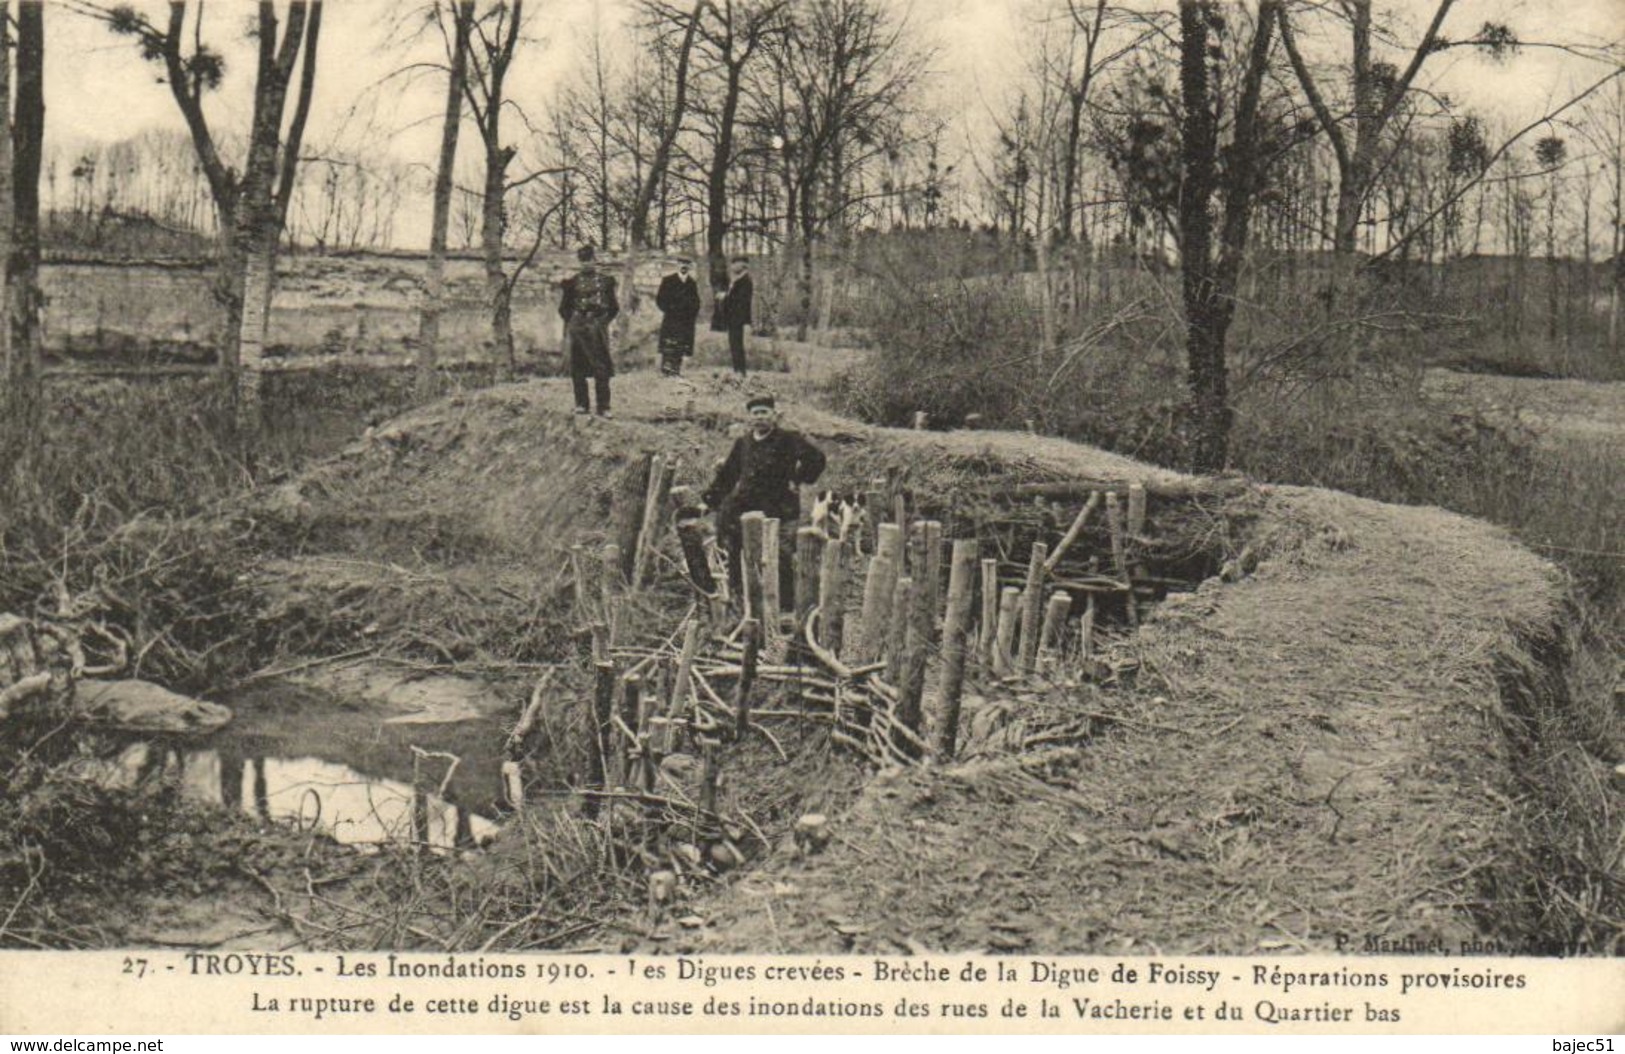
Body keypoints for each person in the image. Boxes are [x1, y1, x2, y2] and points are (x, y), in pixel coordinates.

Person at [701, 393, 826, 611]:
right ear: (749, 417)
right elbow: (728, 476)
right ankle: (742, 604)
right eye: (755, 413)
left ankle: (785, 609)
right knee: (739, 554)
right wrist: (710, 501)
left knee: (780, 557)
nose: (760, 417)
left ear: (773, 415)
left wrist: (798, 478)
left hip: (781, 510)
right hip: (747, 511)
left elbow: (817, 459)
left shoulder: (788, 439)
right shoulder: (743, 443)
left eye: (764, 413)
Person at [558, 244, 620, 417]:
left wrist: (603, 323)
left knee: (601, 368)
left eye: (589, 260)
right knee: (578, 367)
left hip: (597, 327)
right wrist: (573, 323)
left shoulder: (605, 282)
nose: (586, 264)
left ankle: (604, 407)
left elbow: (614, 307)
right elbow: (563, 308)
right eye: (583, 261)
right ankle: (582, 405)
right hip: (579, 327)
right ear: (580, 262)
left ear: (595, 260)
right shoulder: (572, 283)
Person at [655, 256, 701, 378]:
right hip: (671, 319)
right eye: (681, 263)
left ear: (690, 267)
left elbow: (696, 302)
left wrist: (691, 314)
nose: (684, 266)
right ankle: (666, 370)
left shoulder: (692, 283)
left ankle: (676, 370)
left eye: (687, 264)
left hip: (685, 321)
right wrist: (669, 310)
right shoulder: (668, 280)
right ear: (677, 265)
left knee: (681, 344)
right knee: (669, 344)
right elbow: (660, 299)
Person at [715, 256, 754, 377]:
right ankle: (738, 371)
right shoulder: (738, 280)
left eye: (734, 263)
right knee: (734, 344)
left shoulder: (745, 281)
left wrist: (724, 297)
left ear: (743, 265)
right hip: (734, 318)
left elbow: (740, 301)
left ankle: (740, 372)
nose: (732, 267)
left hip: (738, 319)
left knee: (737, 345)